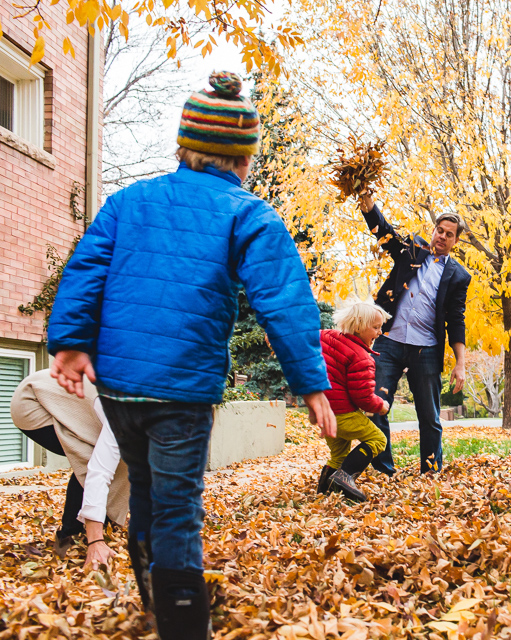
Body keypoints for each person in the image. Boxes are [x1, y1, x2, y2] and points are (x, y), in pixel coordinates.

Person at [46, 71, 337, 640]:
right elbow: (284, 300)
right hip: (182, 391)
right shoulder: (247, 213)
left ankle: (157, 604)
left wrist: (73, 344)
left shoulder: (127, 202)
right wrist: (310, 381)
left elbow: (84, 272)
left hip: (121, 388)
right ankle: (184, 628)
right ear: (242, 158)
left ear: (186, 146)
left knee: (150, 497)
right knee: (178, 506)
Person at [358, 191, 471, 475]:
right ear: (433, 231)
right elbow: (385, 233)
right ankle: (384, 470)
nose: (442, 237)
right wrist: (369, 204)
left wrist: (461, 363)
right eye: (439, 230)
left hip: (427, 349)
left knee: (430, 416)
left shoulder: (458, 276)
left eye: (449, 234)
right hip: (389, 342)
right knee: (376, 405)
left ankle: (430, 471)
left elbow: (456, 320)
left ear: (455, 240)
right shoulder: (412, 250)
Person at [11, 369, 128, 569]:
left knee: (122, 457)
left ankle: (96, 521)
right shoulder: (127, 413)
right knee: (93, 457)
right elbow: (99, 471)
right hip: (33, 401)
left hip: (80, 401)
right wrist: (96, 541)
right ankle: (71, 535)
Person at [315, 299, 391, 502]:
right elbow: (363, 397)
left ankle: (324, 492)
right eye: (375, 327)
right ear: (358, 327)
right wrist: (381, 406)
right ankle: (345, 476)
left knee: (338, 454)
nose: (379, 332)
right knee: (378, 439)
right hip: (343, 414)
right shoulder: (362, 357)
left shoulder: (325, 336)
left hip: (324, 413)